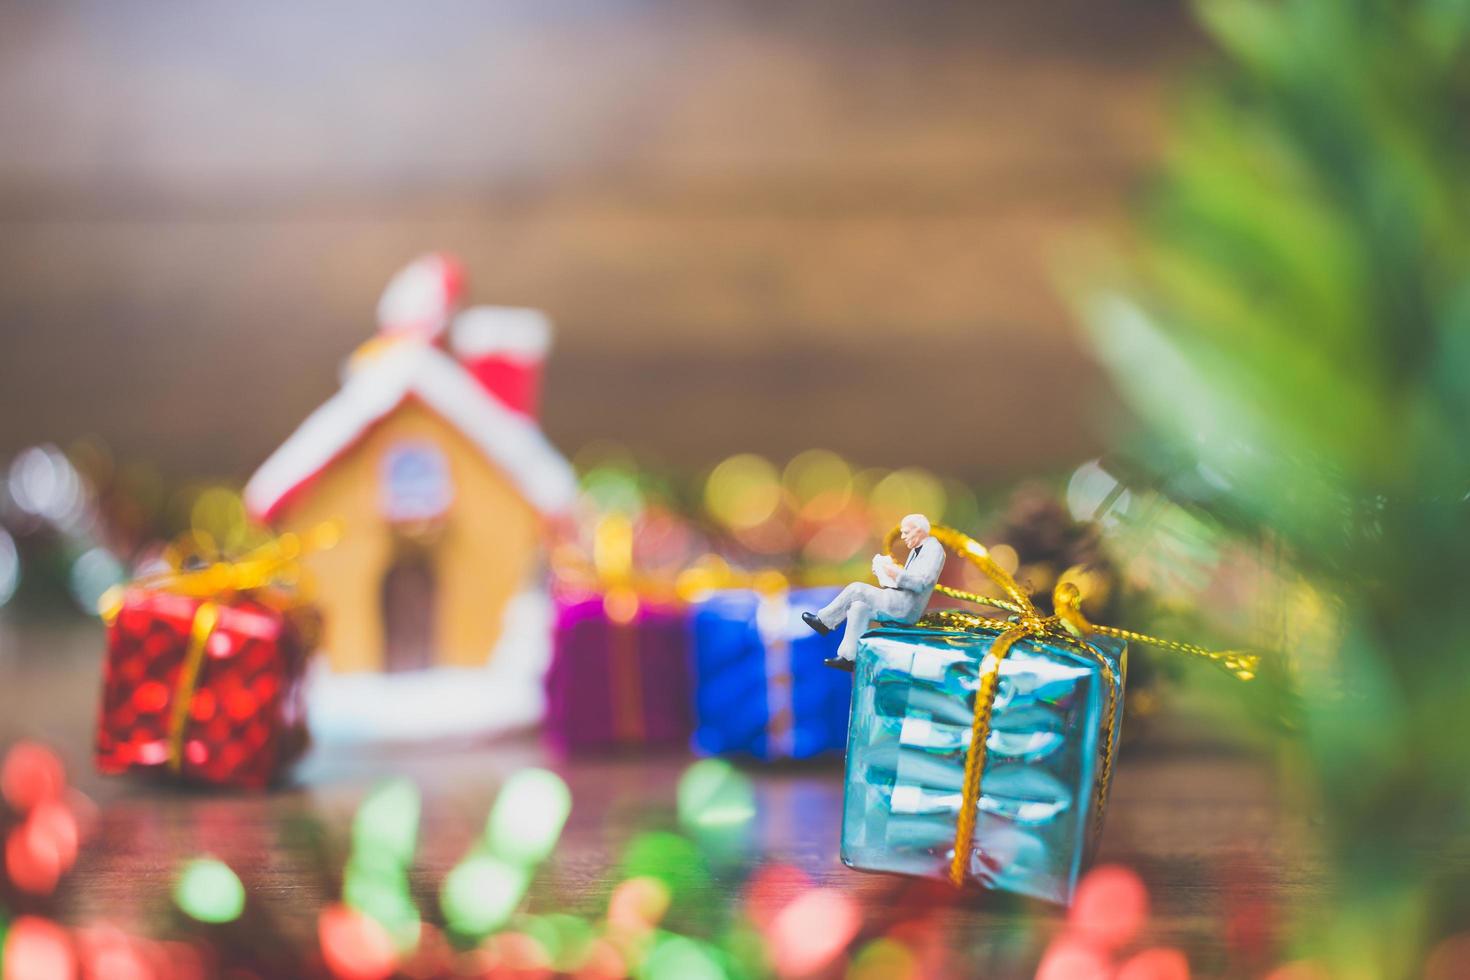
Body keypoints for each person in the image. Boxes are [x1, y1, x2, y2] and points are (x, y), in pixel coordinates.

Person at [802, 513, 945, 671]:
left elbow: (922, 583)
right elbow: (908, 580)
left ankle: (824, 621)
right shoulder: (917, 549)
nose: (903, 537)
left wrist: (895, 573)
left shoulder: (934, 550)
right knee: (858, 607)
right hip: (898, 598)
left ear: (919, 530)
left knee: (857, 589)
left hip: (905, 608)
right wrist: (885, 574)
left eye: (906, 532)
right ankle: (849, 658)